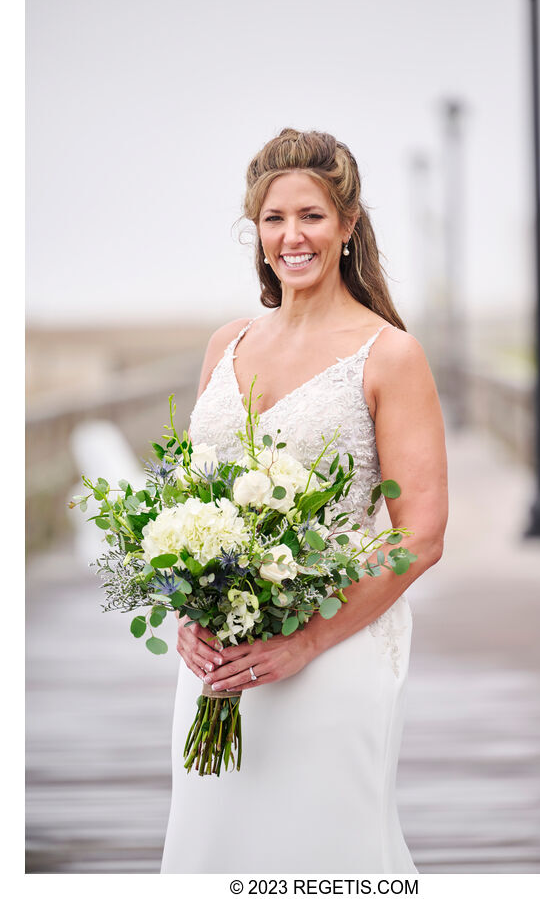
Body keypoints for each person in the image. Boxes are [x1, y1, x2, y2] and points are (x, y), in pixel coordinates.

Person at [160, 128, 448, 873]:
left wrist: (306, 640)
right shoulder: (226, 343)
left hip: (334, 651)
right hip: (216, 662)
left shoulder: (389, 354)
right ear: (255, 232)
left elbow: (421, 534)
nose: (292, 237)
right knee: (212, 846)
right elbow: (190, 504)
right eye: (274, 219)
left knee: (328, 850)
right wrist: (188, 615)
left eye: (311, 216)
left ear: (348, 225)